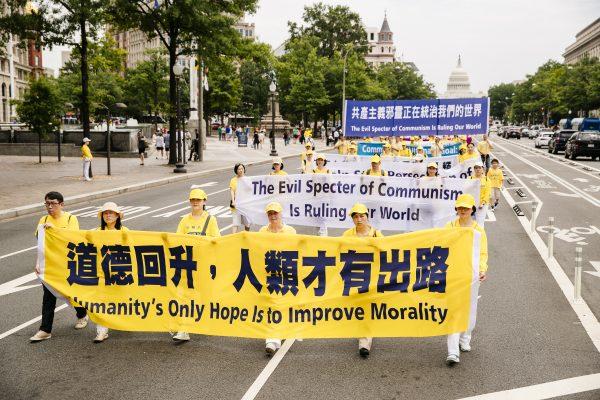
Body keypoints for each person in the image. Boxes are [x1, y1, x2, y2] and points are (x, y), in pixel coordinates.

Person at [30, 191, 88, 342]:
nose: (50, 207)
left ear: (61, 204)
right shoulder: (43, 219)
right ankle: (45, 329)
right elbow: (41, 244)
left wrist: (55, 230)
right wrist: (38, 262)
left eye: (53, 203)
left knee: (72, 292)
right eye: (47, 203)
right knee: (48, 296)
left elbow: (73, 238)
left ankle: (82, 314)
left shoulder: (70, 218)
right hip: (50, 265)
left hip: (68, 264)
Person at [445, 193, 488, 366]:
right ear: (456, 208)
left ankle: (465, 338)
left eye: (466, 207)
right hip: (452, 274)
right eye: (460, 207)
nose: (462, 210)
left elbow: (483, 252)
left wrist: (482, 269)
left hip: (471, 275)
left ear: (472, 209)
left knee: (470, 311)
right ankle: (452, 351)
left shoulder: (478, 230)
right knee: (454, 310)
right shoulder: (449, 226)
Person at [172, 188, 221, 343]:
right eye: (193, 200)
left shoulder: (210, 220)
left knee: (205, 295)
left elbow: (216, 241)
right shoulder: (184, 220)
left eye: (198, 200)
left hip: (204, 264)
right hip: (188, 264)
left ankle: (207, 320)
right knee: (186, 296)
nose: (195, 202)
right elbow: (177, 239)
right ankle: (184, 329)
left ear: (204, 201)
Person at [342, 203, 383, 357]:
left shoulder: (377, 234)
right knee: (357, 307)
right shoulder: (347, 234)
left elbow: (386, 251)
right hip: (353, 276)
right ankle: (364, 332)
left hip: (371, 276)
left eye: (361, 216)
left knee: (367, 307)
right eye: (355, 216)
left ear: (367, 217)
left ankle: (364, 342)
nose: (359, 219)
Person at [259, 202, 296, 355]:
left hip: (286, 273)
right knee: (271, 304)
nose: (273, 216)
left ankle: (279, 332)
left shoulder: (290, 231)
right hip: (269, 273)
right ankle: (272, 340)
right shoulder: (262, 231)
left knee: (282, 304)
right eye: (270, 213)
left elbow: (297, 251)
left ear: (281, 214)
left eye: (275, 213)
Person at [93, 202, 129, 343]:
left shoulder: (125, 231)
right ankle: (102, 331)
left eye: (111, 213)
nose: (108, 215)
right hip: (102, 272)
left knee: (121, 298)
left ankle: (123, 322)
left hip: (120, 271)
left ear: (117, 216)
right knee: (102, 300)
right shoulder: (96, 232)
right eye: (105, 213)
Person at [230, 163, 250, 233]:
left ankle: (246, 236)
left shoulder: (247, 179)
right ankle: (233, 238)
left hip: (245, 204)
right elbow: (232, 191)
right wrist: (233, 201)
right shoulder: (233, 180)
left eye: (242, 169)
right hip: (236, 204)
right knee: (235, 223)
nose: (241, 170)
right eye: (239, 169)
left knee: (247, 223)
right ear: (236, 170)